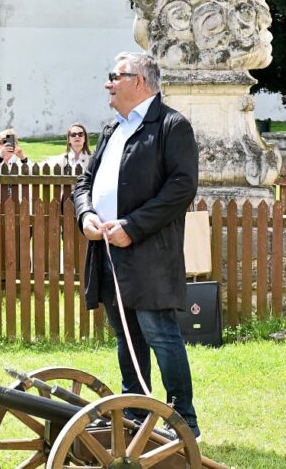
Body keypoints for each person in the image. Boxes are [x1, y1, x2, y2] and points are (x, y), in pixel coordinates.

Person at [73, 52, 200, 440]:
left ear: (139, 82)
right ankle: (132, 414)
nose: (108, 83)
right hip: (107, 251)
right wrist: (86, 215)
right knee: (125, 334)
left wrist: (133, 225)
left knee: (159, 333)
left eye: (115, 76)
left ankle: (185, 422)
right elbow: (83, 183)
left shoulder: (172, 126)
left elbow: (181, 187)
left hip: (149, 252)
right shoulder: (112, 128)